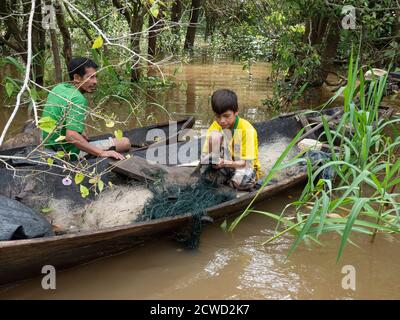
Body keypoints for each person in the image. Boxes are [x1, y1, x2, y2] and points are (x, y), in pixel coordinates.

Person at [41, 57, 131, 160]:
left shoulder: (58, 88)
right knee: (125, 142)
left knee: (81, 134)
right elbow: (71, 136)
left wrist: (81, 132)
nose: (95, 81)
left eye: (95, 77)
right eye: (90, 77)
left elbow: (59, 116)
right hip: (67, 153)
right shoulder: (78, 99)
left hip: (48, 148)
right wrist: (101, 153)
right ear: (77, 78)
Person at [202, 89, 261, 190]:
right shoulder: (215, 126)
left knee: (240, 182)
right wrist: (213, 161)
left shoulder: (247, 130)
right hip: (226, 164)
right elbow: (206, 153)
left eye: (226, 116)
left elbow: (246, 163)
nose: (222, 121)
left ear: (236, 111)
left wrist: (224, 163)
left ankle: (234, 182)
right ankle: (228, 180)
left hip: (245, 167)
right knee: (214, 137)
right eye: (218, 116)